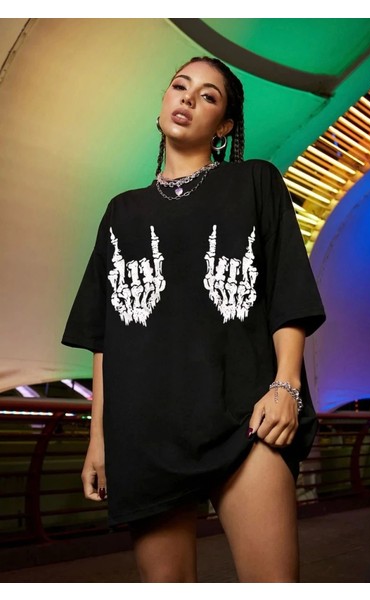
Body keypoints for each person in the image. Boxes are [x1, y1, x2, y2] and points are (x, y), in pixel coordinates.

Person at [61, 55, 326, 583]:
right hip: (145, 432)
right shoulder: (121, 212)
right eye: (180, 86)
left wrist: (286, 386)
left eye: (208, 96)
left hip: (245, 418)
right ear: (163, 100)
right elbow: (106, 339)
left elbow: (287, 292)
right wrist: (99, 440)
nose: (188, 98)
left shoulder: (255, 182)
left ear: (224, 126)